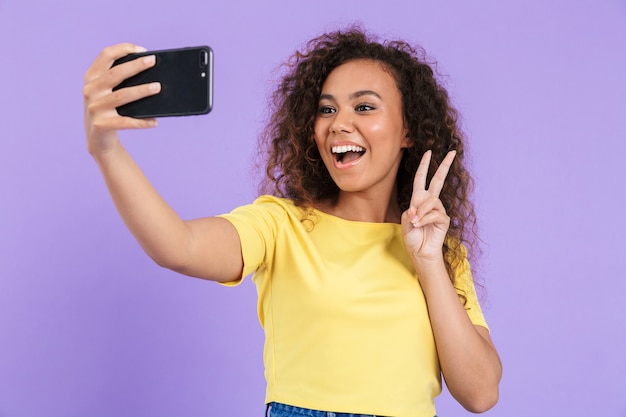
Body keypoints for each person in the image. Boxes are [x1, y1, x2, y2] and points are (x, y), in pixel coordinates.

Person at [83, 27, 502, 417]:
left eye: (364, 106)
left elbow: (480, 394)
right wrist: (107, 150)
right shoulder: (280, 225)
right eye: (326, 109)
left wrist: (429, 262)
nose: (339, 123)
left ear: (408, 130)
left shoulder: (439, 250)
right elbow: (179, 247)